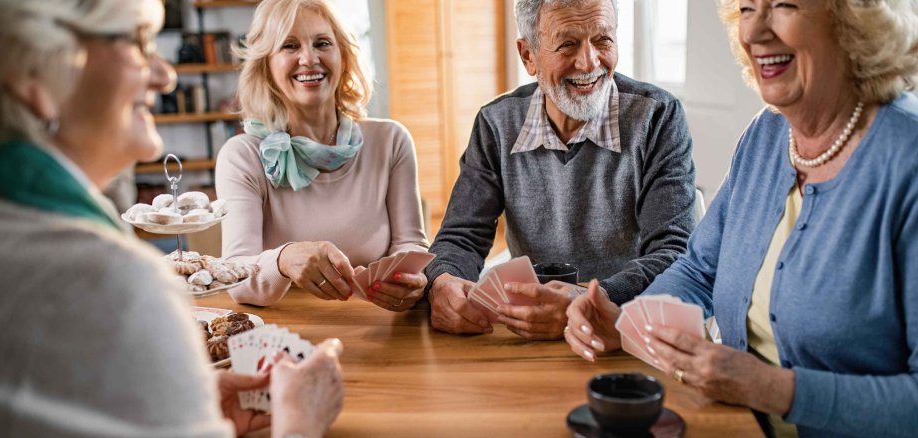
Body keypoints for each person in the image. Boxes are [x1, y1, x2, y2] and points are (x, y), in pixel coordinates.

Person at [565, 1, 918, 437]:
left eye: (785, 5)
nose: (755, 33)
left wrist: (773, 389)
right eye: (749, 9)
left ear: (854, 21)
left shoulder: (908, 162)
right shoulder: (767, 134)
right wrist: (633, 322)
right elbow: (700, 270)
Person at [0, 1, 344, 436]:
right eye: (138, 43)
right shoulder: (112, 281)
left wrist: (184, 400)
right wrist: (300, 419)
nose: (166, 75)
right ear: (37, 72)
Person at [424, 0, 696, 339]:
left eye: (603, 40)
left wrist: (589, 300)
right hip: (529, 330)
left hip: (622, 330)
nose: (589, 62)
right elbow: (461, 236)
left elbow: (674, 252)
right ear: (528, 56)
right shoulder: (496, 123)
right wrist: (443, 279)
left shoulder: (658, 117)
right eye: (567, 44)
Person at [217, 0, 429, 310]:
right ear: (266, 65)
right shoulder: (241, 156)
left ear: (343, 55)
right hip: (285, 334)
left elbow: (410, 244)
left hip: (378, 328)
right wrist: (283, 259)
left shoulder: (391, 141)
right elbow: (236, 278)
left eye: (322, 43)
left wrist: (409, 281)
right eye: (289, 46)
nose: (309, 58)